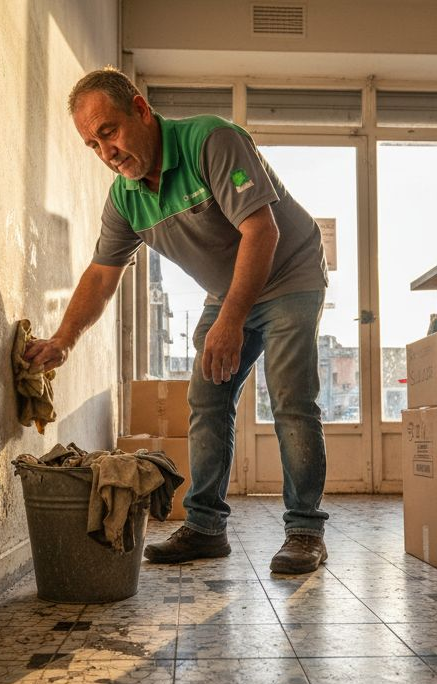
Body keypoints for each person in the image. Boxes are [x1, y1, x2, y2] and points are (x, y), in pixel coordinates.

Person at [24, 67, 329, 574]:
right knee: (207, 398)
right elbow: (102, 275)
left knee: (291, 397)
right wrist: (63, 341)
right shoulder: (125, 197)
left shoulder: (212, 141)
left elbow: (262, 231)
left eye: (110, 132)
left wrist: (229, 322)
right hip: (228, 288)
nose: (107, 152)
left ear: (141, 110)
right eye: (92, 145)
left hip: (289, 273)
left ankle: (304, 531)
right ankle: (207, 529)